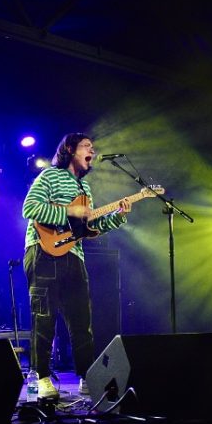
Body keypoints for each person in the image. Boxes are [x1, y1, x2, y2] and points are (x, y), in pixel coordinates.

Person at [22, 132, 132, 399]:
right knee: (44, 318)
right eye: (86, 146)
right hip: (43, 250)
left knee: (82, 322)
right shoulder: (50, 176)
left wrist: (118, 216)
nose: (92, 151)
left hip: (75, 255)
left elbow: (88, 228)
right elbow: (30, 208)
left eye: (92, 148)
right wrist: (69, 211)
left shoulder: (85, 188)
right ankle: (41, 377)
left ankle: (87, 376)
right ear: (70, 149)